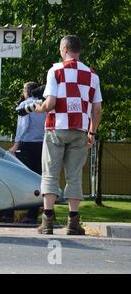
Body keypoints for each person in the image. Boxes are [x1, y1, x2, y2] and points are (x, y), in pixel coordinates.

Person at [34, 35, 102, 235]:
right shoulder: (92, 75)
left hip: (56, 127)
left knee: (50, 173)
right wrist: (92, 132)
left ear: (64, 49)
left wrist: (39, 108)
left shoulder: (55, 71)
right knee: (74, 176)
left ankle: (47, 221)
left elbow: (51, 103)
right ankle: (73, 222)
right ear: (78, 51)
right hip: (80, 130)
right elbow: (96, 110)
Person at [5, 82, 46, 224]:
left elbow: (23, 127)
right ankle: (32, 215)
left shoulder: (25, 106)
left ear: (26, 92)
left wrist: (15, 146)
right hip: (42, 145)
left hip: (26, 145)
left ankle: (9, 213)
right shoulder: (44, 104)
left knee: (16, 178)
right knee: (37, 180)